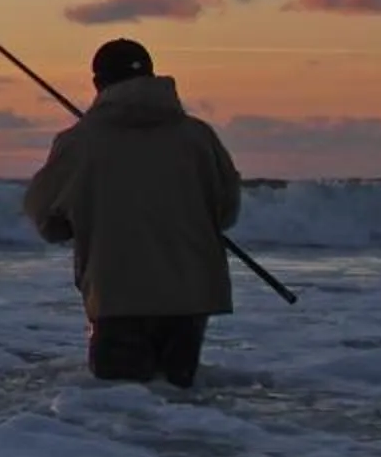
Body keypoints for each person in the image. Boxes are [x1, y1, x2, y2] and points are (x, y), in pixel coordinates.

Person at [22, 38, 243, 389]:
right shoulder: (199, 137)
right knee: (179, 405)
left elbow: (46, 220)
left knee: (121, 409)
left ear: (98, 84)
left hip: (117, 295)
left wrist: (80, 220)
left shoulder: (80, 141)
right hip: (191, 296)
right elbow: (226, 212)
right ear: (153, 76)